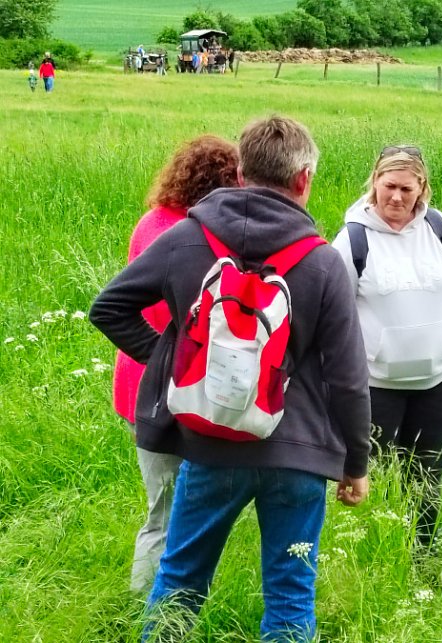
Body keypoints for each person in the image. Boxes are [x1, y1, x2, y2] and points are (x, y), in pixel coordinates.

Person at [90, 116, 371, 642]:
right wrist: (356, 463)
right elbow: (350, 378)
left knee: (179, 585)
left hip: (209, 444)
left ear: (240, 172)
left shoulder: (187, 237)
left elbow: (109, 307)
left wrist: (169, 360)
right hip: (298, 453)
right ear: (305, 179)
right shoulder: (324, 262)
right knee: (290, 598)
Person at [331, 145, 442, 546]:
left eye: (407, 189)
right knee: (376, 474)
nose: (396, 197)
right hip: (376, 383)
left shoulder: (441, 230)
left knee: (428, 473)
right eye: (389, 186)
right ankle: (377, 551)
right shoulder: (352, 240)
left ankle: (422, 552)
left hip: (437, 379)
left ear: (422, 189)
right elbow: (336, 315)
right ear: (374, 184)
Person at [111, 135, 239, 594]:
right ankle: (154, 607)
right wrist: (164, 359)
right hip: (169, 385)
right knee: (168, 514)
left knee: (161, 504)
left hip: (136, 381)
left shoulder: (153, 220)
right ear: (223, 182)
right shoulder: (191, 235)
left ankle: (155, 600)